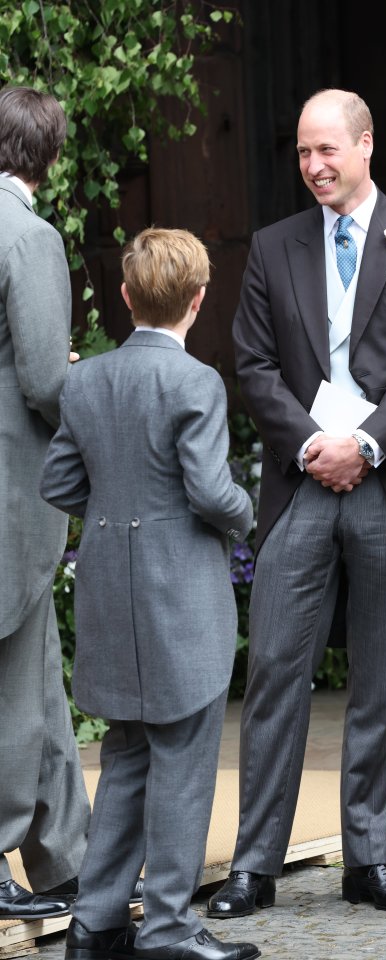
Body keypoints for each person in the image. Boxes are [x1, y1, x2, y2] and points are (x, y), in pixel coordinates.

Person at [207, 88, 386, 919]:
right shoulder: (274, 246)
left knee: (377, 680)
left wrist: (368, 445)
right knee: (277, 670)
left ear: (366, 145)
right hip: (300, 481)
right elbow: (252, 364)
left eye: (328, 151)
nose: (314, 167)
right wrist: (315, 445)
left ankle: (369, 861)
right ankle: (254, 865)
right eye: (304, 154)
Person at [40, 228, 259, 960]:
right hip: (181, 596)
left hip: (110, 589)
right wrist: (245, 512)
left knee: (127, 757)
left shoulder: (85, 380)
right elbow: (208, 490)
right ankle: (167, 926)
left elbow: (59, 483)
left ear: (126, 296)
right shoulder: (196, 382)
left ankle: (96, 921)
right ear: (198, 301)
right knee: (185, 762)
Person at [0, 83, 93, 921]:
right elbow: (39, 381)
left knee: (36, 678)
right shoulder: (27, 236)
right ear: (47, 155)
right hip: (8, 488)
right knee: (11, 681)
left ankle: (66, 861)